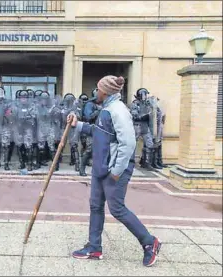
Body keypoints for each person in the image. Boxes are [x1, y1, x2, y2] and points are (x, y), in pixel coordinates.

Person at [67, 75, 161, 267]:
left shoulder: (118, 111)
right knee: (95, 206)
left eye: (99, 89)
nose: (96, 92)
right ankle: (94, 247)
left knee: (117, 209)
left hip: (114, 170)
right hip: (101, 168)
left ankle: (150, 242)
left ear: (106, 91)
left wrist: (117, 172)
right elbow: (99, 131)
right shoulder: (107, 109)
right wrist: (79, 124)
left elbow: (128, 144)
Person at [130, 88, 154, 171]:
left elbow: (151, 116)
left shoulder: (147, 103)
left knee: (150, 144)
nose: (146, 96)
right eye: (144, 94)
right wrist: (145, 115)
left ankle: (146, 162)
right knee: (132, 145)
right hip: (137, 126)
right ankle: (130, 162)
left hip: (145, 126)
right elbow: (135, 116)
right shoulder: (135, 104)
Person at [79, 89, 102, 176]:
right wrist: (98, 111)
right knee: (89, 150)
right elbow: (88, 117)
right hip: (92, 129)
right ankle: (82, 169)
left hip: (103, 130)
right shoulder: (89, 104)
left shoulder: (103, 104)